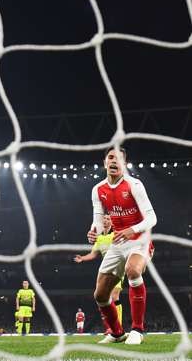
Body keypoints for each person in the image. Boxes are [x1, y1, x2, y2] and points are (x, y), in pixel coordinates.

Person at [88, 147, 156, 345]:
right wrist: (94, 231)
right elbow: (99, 223)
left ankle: (137, 330)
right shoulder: (97, 189)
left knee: (133, 270)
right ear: (105, 163)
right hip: (118, 243)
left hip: (139, 239)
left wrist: (131, 230)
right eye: (111, 157)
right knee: (100, 295)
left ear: (124, 165)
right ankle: (117, 333)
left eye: (119, 158)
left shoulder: (134, 185)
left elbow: (152, 218)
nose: (114, 161)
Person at [74, 214, 124, 334]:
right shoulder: (100, 238)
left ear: (112, 222)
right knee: (102, 297)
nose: (106, 221)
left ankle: (118, 327)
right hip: (105, 269)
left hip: (117, 266)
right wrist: (82, 258)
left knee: (114, 296)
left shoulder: (115, 235)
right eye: (104, 219)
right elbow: (93, 254)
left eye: (108, 219)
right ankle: (110, 327)